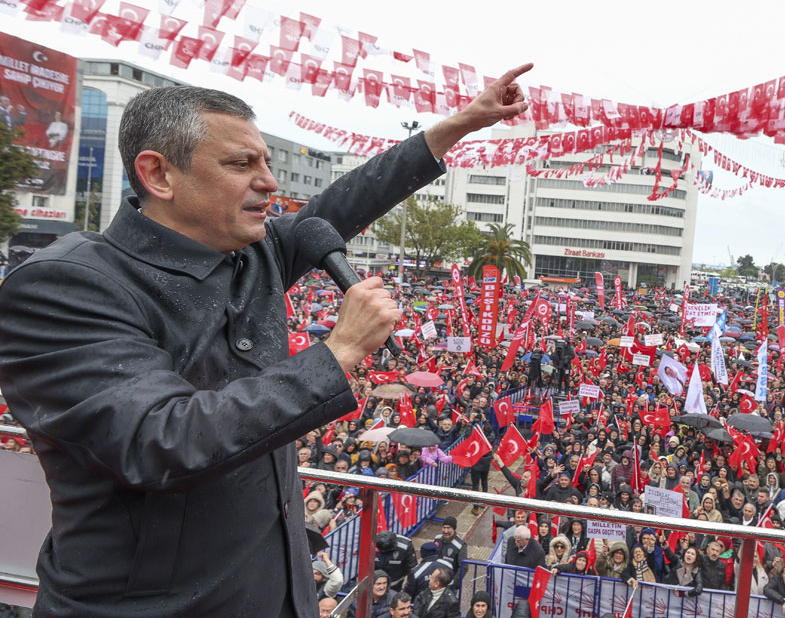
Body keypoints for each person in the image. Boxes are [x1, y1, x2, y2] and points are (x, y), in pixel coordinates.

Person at [0, 70, 531, 618]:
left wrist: (461, 124)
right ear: (158, 174)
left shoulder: (253, 254)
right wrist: (337, 354)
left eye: (267, 162)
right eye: (240, 164)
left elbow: (352, 198)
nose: (270, 183)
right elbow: (157, 440)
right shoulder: (66, 284)